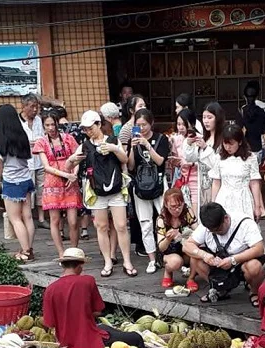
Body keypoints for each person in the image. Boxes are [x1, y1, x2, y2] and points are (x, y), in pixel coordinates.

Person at [42, 248, 144, 348]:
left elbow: (49, 323)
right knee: (136, 337)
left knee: (104, 328)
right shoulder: (87, 281)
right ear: (80, 266)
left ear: (62, 265)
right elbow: (98, 311)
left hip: (65, 343)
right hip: (89, 342)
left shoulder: (50, 289)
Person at [77, 109, 135, 277]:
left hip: (116, 188)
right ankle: (107, 261)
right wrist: (73, 161)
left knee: (121, 226)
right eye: (85, 129)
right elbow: (70, 163)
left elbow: (124, 160)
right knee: (101, 227)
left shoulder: (113, 140)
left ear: (99, 124)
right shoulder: (85, 145)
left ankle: (127, 261)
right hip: (97, 190)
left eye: (90, 128)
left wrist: (113, 149)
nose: (88, 131)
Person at [184, 202, 265, 305]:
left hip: (241, 262)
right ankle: (220, 289)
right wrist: (204, 255)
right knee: (195, 258)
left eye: (218, 230)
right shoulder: (207, 227)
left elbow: (259, 248)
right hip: (218, 264)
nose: (216, 233)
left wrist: (233, 260)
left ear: (226, 218)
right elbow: (187, 246)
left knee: (254, 266)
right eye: (212, 231)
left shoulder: (245, 223)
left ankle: (254, 291)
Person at [128, 108, 171, 273]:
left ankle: (167, 254)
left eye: (144, 124)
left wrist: (147, 145)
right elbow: (131, 166)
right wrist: (132, 148)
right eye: (138, 125)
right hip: (140, 186)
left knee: (165, 220)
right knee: (145, 223)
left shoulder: (161, 139)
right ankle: (152, 259)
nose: (142, 128)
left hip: (159, 185)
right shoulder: (134, 140)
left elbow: (160, 161)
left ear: (151, 123)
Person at [0, 104, 38, 262]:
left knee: (15, 218)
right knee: (28, 217)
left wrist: (1, 179)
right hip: (26, 180)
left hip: (12, 183)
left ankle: (26, 252)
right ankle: (28, 248)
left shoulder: (2, 141)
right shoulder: (23, 136)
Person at [37, 112, 82, 256]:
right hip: (52, 183)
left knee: (73, 220)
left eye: (52, 124)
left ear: (57, 123)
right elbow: (46, 166)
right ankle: (61, 252)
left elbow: (78, 157)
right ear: (43, 126)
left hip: (70, 181)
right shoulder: (42, 142)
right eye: (47, 125)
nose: (50, 128)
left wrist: (74, 174)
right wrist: (66, 174)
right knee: (55, 220)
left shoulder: (69, 139)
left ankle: (74, 250)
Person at [209, 123, 263, 224]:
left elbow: (254, 183)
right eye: (225, 143)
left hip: (243, 199)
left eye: (231, 144)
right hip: (224, 197)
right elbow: (216, 182)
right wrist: (213, 204)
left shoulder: (250, 158)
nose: (227, 147)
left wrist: (257, 206)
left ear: (240, 142)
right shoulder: (219, 158)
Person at [157, 188, 199, 297]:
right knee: (176, 261)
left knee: (195, 250)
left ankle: (191, 278)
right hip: (168, 252)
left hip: (185, 248)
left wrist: (188, 235)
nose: (177, 210)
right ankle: (168, 272)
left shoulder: (187, 211)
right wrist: (168, 239)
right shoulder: (162, 219)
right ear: (166, 205)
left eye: (179, 206)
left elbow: (198, 231)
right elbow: (161, 247)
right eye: (173, 207)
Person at [240, 81, 265, 165]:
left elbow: (241, 132)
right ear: (257, 96)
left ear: (244, 96)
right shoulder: (262, 110)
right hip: (258, 149)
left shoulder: (242, 111)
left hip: (245, 150)